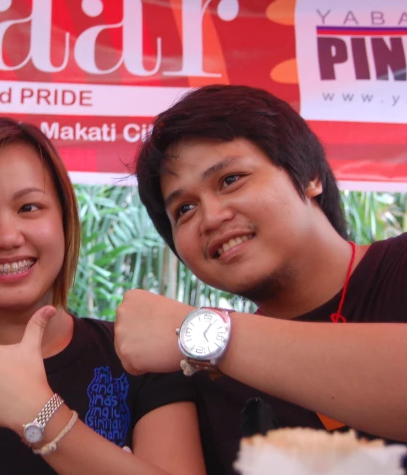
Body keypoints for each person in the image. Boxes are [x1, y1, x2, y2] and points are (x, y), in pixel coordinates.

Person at [0, 118, 206, 475]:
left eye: (29, 207)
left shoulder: (140, 357)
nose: (6, 236)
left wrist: (38, 413)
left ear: (64, 218)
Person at [115, 84, 407, 475]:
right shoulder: (201, 381)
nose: (212, 217)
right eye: (185, 208)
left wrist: (201, 333)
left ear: (310, 176)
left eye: (231, 179)